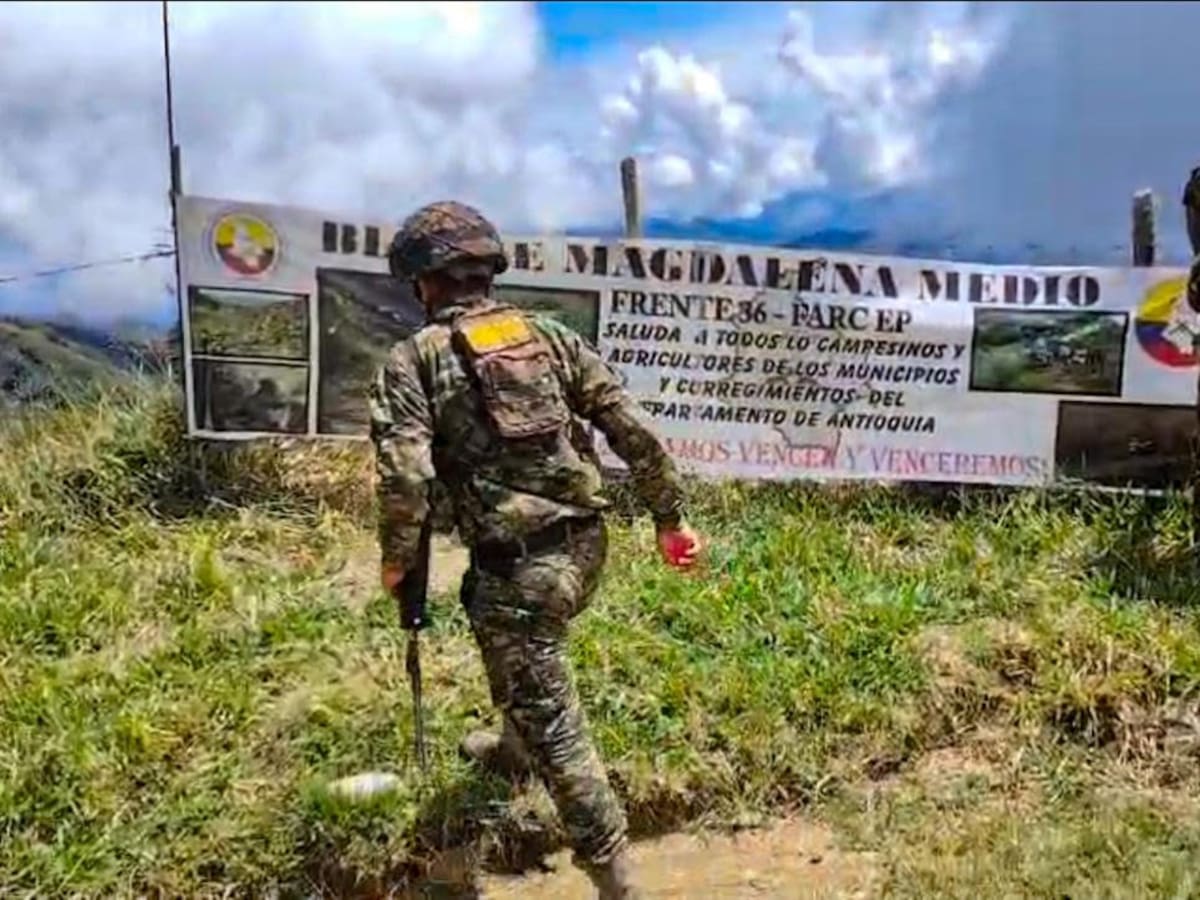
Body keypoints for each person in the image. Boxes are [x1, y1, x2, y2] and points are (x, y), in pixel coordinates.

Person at [367, 200, 701, 899]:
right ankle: (511, 745)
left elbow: (406, 476)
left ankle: (616, 879)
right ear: (487, 270)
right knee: (513, 644)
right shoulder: (546, 335)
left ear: (423, 283)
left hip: (522, 570)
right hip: (586, 548)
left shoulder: (413, 361)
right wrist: (670, 519)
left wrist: (399, 561)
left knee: (556, 723)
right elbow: (628, 425)